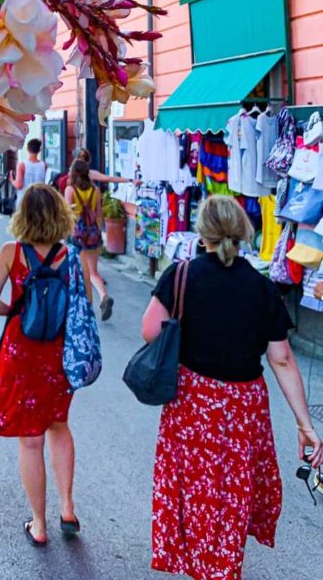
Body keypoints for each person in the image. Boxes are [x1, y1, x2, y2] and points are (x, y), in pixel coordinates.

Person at [141, 195, 323, 580]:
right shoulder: (261, 288)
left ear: (202, 234)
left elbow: (149, 330)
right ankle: (222, 566)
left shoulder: (181, 274)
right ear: (242, 232)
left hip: (193, 402)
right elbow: (282, 359)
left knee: (195, 490)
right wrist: (305, 424)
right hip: (243, 407)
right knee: (232, 495)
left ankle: (202, 566)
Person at [0, 184, 80, 548]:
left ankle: (38, 523)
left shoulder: (12, 253)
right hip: (57, 352)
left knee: (30, 442)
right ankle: (67, 507)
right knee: (59, 425)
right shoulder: (69, 256)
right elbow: (78, 309)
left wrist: (14, 312)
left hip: (21, 353)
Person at [63, 158, 112, 321]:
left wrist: (67, 235)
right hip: (92, 234)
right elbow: (99, 214)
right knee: (93, 272)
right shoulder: (95, 191)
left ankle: (83, 306)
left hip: (77, 234)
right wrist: (99, 233)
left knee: (77, 271)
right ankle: (103, 295)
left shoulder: (70, 190)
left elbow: (67, 214)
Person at [10, 138, 47, 205]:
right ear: (39, 150)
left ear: (27, 149)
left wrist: (12, 180)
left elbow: (19, 185)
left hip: (24, 198)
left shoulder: (22, 165)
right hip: (39, 199)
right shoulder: (44, 165)